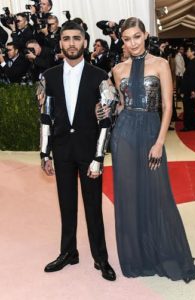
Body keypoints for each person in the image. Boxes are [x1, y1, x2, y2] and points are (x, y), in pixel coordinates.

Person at [99, 17, 195, 282]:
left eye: (137, 37)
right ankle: (136, 255)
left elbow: (167, 107)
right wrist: (107, 109)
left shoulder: (161, 64)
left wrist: (159, 142)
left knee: (157, 191)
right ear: (122, 40)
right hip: (125, 134)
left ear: (145, 36)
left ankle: (159, 248)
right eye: (127, 38)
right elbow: (121, 105)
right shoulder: (118, 69)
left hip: (151, 130)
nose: (132, 43)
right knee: (128, 194)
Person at [39, 21, 116, 281]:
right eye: (66, 38)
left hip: (88, 151)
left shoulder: (100, 76)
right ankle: (69, 252)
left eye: (76, 38)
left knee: (93, 206)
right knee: (66, 204)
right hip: (61, 150)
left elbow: (106, 121)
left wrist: (98, 157)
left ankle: (101, 258)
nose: (71, 43)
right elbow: (46, 117)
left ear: (84, 42)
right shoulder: (48, 76)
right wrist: (44, 153)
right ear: (60, 43)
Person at [180, 44, 195, 131]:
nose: (186, 52)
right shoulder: (194, 61)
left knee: (188, 108)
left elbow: (193, 77)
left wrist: (193, 91)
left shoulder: (194, 62)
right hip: (190, 89)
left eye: (188, 51)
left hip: (190, 90)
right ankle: (194, 124)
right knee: (190, 108)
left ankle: (188, 126)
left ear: (192, 52)